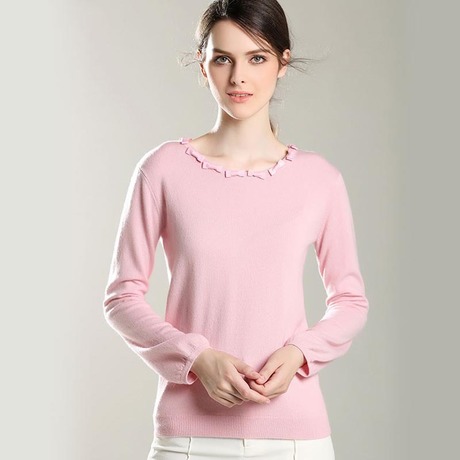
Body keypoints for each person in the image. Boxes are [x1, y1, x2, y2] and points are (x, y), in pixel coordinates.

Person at [102, 0, 369, 458]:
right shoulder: (162, 169)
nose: (238, 77)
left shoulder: (319, 180)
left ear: (283, 62)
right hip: (189, 440)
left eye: (257, 58)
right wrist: (196, 358)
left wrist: (301, 353)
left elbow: (350, 300)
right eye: (223, 59)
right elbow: (122, 297)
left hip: (296, 440)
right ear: (202, 65)